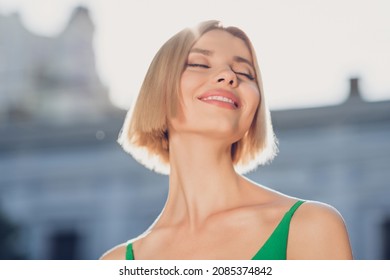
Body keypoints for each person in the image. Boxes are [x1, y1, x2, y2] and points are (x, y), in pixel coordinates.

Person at [100, 20, 353, 260]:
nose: (229, 75)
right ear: (158, 89)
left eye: (245, 72)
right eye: (199, 64)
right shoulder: (116, 263)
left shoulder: (310, 226)